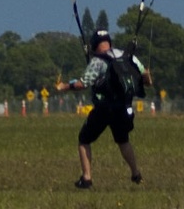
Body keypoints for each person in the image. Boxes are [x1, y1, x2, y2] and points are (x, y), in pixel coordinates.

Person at [56, 29, 153, 190]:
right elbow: (146, 79)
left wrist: (64, 87)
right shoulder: (128, 56)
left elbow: (83, 84)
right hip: (124, 108)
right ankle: (136, 174)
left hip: (104, 109)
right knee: (123, 140)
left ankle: (86, 178)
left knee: (84, 139)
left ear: (94, 45)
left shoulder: (98, 61)